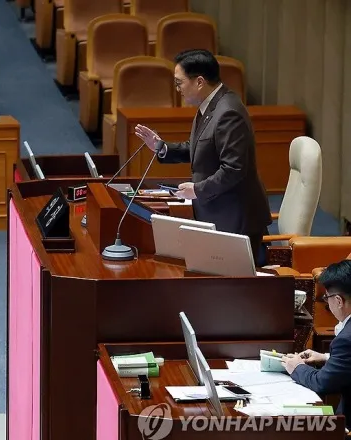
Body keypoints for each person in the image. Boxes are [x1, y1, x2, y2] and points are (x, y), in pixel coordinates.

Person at [135, 49, 271, 264]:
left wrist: (197, 190)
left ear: (199, 82)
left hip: (235, 219)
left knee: (229, 283)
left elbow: (234, 169)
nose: (177, 89)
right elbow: (200, 147)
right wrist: (161, 147)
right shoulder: (210, 106)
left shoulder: (228, 112)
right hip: (218, 211)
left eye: (179, 83)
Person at [282, 259, 351, 430]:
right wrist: (326, 357)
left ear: (339, 301)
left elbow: (322, 383)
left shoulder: (346, 339)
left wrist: (297, 367)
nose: (327, 302)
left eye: (327, 298)